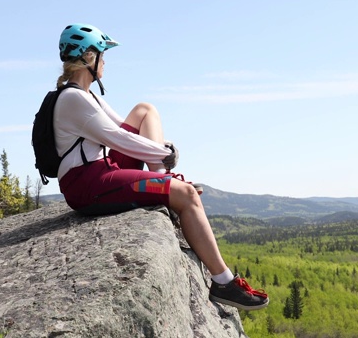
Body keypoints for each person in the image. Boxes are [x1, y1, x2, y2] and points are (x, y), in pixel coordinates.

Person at [53, 23, 268, 311]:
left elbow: (123, 130)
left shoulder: (84, 95)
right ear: (89, 57)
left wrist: (164, 149)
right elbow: (119, 139)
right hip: (88, 184)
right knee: (186, 195)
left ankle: (162, 181)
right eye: (102, 55)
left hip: (99, 171)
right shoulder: (73, 99)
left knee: (145, 109)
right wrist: (164, 154)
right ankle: (224, 282)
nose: (105, 62)